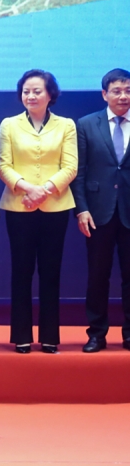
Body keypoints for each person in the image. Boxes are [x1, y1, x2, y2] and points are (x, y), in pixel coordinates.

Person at [0, 69, 77, 354]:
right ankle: (21, 335)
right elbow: (3, 165)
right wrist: (27, 189)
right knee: (21, 271)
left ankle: (49, 336)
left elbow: (70, 166)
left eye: (37, 91)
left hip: (56, 206)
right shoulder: (9, 124)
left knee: (50, 271)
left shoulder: (66, 125)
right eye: (26, 91)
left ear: (50, 94)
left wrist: (43, 190)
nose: (30, 96)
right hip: (18, 206)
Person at [73, 69, 130, 353]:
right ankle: (96, 333)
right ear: (104, 94)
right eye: (117, 91)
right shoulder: (86, 124)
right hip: (97, 212)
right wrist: (81, 209)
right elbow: (79, 172)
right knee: (98, 276)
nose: (123, 96)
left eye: (128, 90)